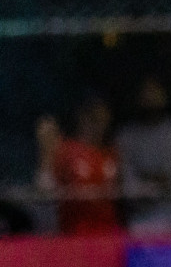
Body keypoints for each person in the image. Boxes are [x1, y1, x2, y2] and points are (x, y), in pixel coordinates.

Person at [116, 77, 171, 234]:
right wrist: (151, 185)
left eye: (155, 91)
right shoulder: (126, 137)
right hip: (143, 221)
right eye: (146, 92)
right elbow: (128, 186)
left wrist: (169, 183)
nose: (150, 97)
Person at [35, 95, 120, 234]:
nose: (98, 125)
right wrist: (46, 154)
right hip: (75, 234)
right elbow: (45, 189)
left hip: (109, 233)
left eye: (102, 120)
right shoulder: (66, 150)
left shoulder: (112, 153)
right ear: (82, 118)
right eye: (93, 119)